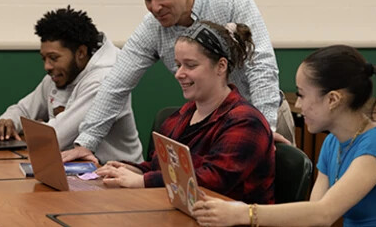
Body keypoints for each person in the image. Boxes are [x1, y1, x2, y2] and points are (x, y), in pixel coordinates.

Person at [63, 0, 291, 163]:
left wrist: (264, 129)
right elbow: (116, 83)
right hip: (213, 126)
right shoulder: (152, 27)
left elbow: (261, 66)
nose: (155, 7)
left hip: (262, 117)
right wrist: (87, 142)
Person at [193, 45, 376, 227]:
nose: (298, 104)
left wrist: (243, 213)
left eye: (302, 95)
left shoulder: (375, 143)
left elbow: (324, 213)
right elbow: (314, 215)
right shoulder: (332, 142)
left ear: (332, 100)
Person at [95, 21, 275, 203]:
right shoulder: (183, 114)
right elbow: (165, 167)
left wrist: (142, 180)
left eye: (190, 65)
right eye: (178, 64)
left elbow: (213, 179)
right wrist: (136, 170)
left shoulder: (246, 121)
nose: (179, 73)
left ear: (221, 66)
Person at [0, 6, 143, 164]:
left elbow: (55, 138)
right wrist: (8, 121)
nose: (47, 66)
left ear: (81, 53)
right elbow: (23, 110)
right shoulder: (61, 74)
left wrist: (39, 126)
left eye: (53, 58)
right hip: (78, 169)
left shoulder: (105, 79)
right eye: (44, 58)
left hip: (119, 177)